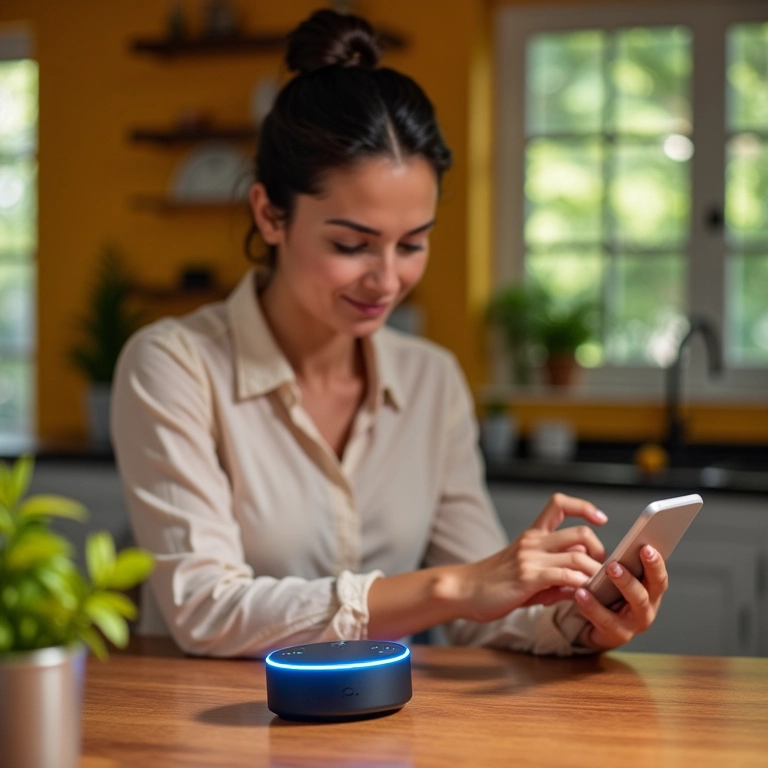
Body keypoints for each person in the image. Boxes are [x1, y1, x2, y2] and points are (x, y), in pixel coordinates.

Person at [111, 9, 669, 658]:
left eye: (412, 244)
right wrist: (455, 584)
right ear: (269, 214)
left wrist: (577, 619)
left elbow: (480, 615)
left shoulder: (431, 381)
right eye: (352, 244)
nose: (386, 279)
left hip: (382, 716)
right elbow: (206, 608)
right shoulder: (173, 365)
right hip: (204, 716)